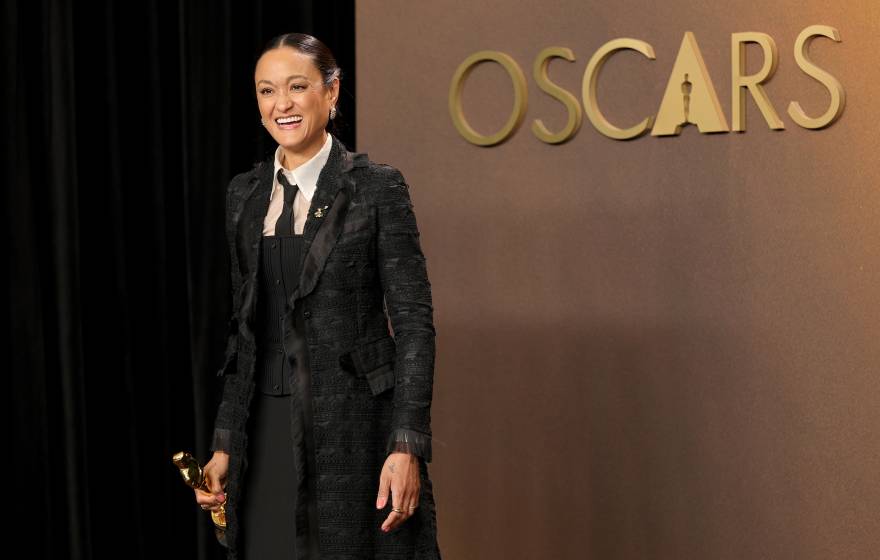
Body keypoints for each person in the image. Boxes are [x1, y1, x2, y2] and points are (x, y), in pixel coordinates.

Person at [192, 32, 441, 559]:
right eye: (266, 90)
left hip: (353, 433)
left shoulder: (376, 187)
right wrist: (224, 440)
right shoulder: (245, 194)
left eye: (297, 86)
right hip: (262, 435)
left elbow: (414, 325)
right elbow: (244, 332)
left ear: (331, 93)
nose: (280, 104)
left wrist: (406, 444)